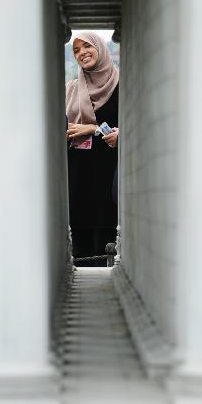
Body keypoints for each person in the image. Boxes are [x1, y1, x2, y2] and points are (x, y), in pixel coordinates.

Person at [65, 32, 119, 263]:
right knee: (78, 241)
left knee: (105, 239)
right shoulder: (70, 89)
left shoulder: (121, 85)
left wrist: (92, 129)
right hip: (77, 175)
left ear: (100, 48)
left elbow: (135, 127)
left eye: (87, 46)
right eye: (76, 50)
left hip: (108, 176)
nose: (82, 53)